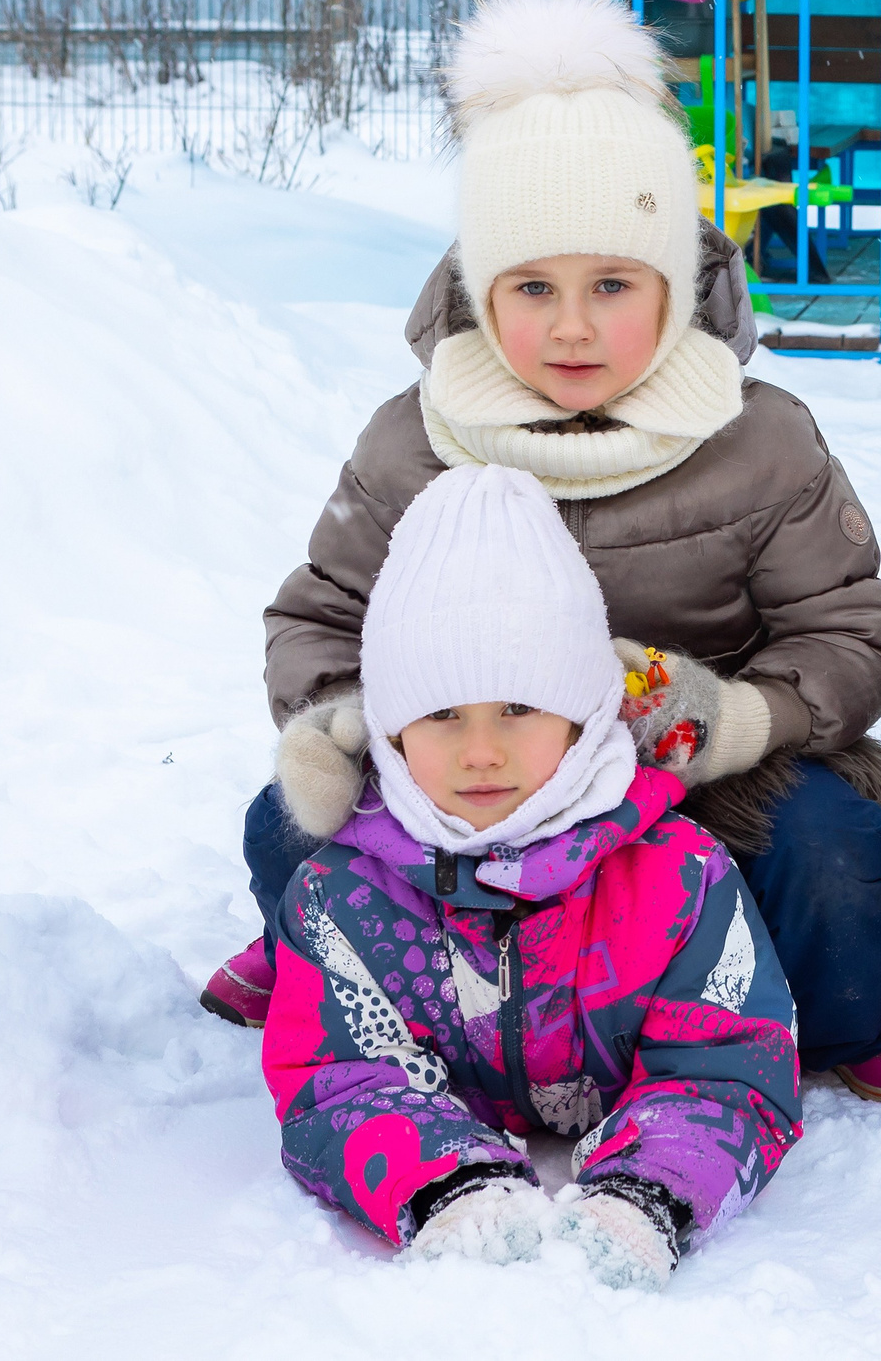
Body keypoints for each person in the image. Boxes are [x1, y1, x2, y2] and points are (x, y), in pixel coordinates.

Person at [210, 0, 881, 1107]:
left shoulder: (756, 440)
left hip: (692, 771)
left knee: (825, 839)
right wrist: (354, 727)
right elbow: (322, 614)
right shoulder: (417, 440)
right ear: (480, 291)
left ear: (674, 287)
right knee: (291, 824)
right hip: (470, 765)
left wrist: (740, 718)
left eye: (613, 284)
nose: (571, 326)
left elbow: (849, 629)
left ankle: (850, 1017)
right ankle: (316, 958)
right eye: (532, 287)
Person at [264, 463, 801, 1285]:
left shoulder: (679, 875)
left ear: (584, 714)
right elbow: (340, 1079)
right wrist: (446, 1180)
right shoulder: (343, 897)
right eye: (442, 715)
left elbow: (727, 1067)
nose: (482, 751)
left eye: (518, 707)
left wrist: (647, 1191)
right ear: (391, 731)